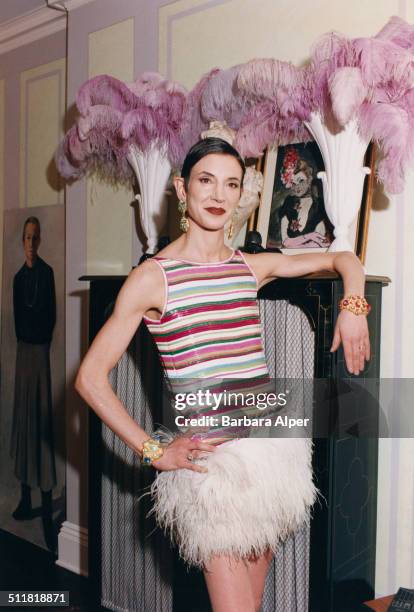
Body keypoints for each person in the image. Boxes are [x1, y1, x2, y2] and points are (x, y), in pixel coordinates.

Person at [75, 138, 371, 612]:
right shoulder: (155, 278)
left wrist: (353, 308)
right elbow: (89, 378)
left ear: (240, 195)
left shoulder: (248, 267)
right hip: (213, 472)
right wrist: (153, 451)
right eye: (206, 180)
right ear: (182, 188)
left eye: (231, 183)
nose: (218, 194)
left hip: (269, 457)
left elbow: (345, 258)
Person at [10, 217, 57, 550]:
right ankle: (26, 497)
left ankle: (44, 497)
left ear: (39, 241)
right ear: (22, 240)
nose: (30, 242)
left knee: (41, 421)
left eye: (34, 237)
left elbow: (49, 317)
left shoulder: (47, 274)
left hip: (39, 355)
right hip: (23, 355)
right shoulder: (17, 279)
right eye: (26, 237)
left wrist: (37, 338)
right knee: (24, 421)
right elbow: (18, 322)